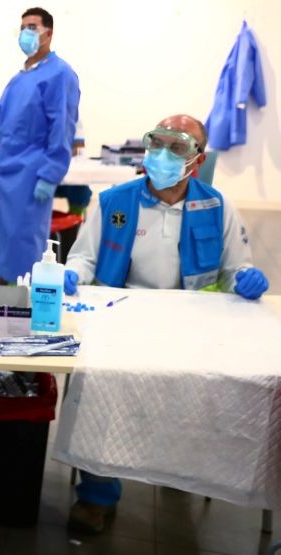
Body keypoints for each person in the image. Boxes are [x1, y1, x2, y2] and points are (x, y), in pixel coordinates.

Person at [63, 114, 270, 534]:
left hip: (192, 325)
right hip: (121, 318)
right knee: (101, 386)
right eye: (157, 143)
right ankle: (96, 494)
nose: (162, 155)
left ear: (198, 158)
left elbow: (236, 268)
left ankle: (182, 472)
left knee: (195, 392)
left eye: (177, 147)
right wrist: (71, 274)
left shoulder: (216, 206)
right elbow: (83, 258)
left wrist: (245, 279)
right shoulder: (112, 201)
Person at [0, 7, 80, 283]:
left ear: (49, 33)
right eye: (23, 26)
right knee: (5, 245)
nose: (26, 33)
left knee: (27, 247)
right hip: (8, 174)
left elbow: (62, 128)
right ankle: (5, 306)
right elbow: (8, 132)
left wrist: (50, 174)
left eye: (33, 27)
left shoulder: (59, 74)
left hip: (33, 175)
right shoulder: (19, 79)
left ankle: (30, 308)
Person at [54, 120, 92, 216]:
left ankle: (74, 224)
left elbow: (79, 148)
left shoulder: (74, 118)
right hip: (36, 172)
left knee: (81, 189)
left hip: (62, 171)